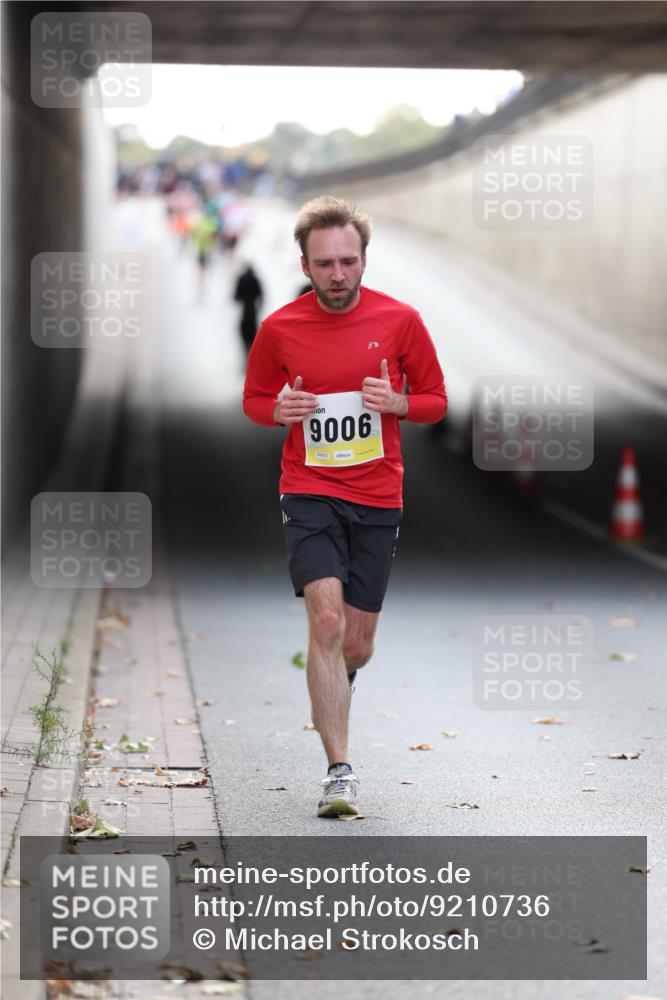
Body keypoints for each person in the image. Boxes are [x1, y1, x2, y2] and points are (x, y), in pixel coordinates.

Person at [242, 195, 447, 817]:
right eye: (325, 263)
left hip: (378, 494)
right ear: (304, 264)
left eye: (349, 261)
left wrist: (399, 404)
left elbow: (436, 399)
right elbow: (253, 399)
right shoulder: (280, 328)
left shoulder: (402, 320)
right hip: (308, 489)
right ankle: (339, 772)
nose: (338, 274)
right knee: (325, 623)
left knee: (355, 643)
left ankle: (339, 678)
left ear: (364, 260)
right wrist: (277, 410)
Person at [233, 263, 263, 353]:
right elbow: (261, 296)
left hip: (245, 310)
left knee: (244, 330)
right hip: (253, 310)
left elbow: (236, 296)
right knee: (253, 331)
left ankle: (247, 349)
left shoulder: (242, 279)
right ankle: (252, 349)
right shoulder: (256, 280)